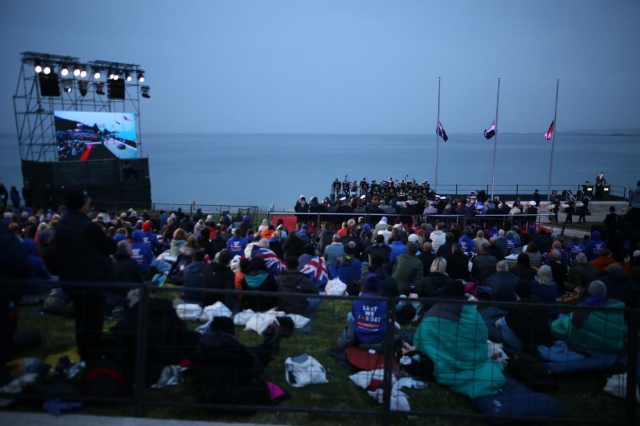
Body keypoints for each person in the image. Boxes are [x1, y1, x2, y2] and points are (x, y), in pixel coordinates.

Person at [413, 280, 506, 398]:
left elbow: (421, 337)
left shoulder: (435, 311)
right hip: (473, 356)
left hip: (448, 359)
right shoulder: (471, 311)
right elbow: (482, 333)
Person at [54, 189, 117, 361]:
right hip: (91, 281)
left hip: (71, 280)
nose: (90, 203)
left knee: (81, 319)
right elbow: (111, 247)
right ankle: (92, 356)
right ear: (82, 203)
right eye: (87, 200)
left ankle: (85, 351)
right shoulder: (87, 226)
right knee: (93, 321)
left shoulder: (62, 223)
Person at [551, 280, 625, 354]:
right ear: (605, 292)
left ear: (588, 292)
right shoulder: (617, 308)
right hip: (614, 348)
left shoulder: (582, 310)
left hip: (586, 346)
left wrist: (568, 318)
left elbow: (570, 325)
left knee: (560, 324)